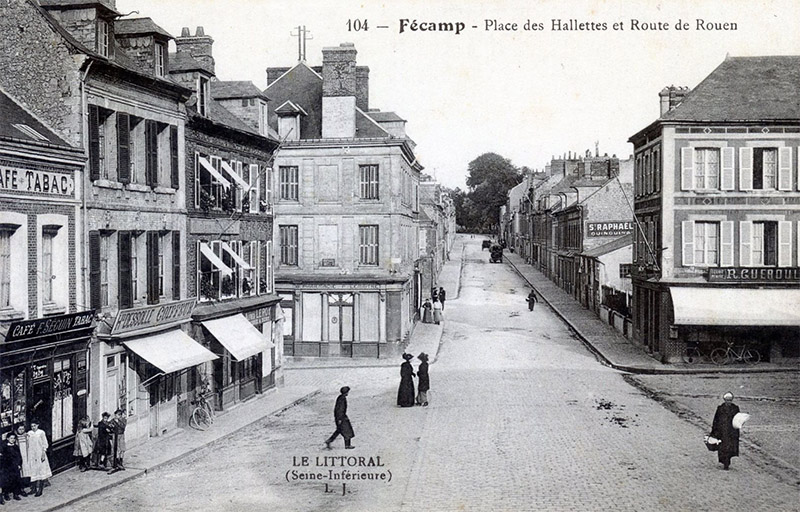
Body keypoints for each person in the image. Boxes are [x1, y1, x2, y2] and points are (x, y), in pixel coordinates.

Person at [710, 392, 740, 470]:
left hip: (731, 431)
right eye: (727, 400)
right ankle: (724, 461)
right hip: (722, 431)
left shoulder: (735, 408)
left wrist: (737, 430)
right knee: (722, 448)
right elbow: (716, 419)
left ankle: (727, 463)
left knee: (729, 448)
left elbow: (738, 420)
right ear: (725, 400)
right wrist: (714, 430)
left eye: (730, 400)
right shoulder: (720, 408)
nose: (728, 402)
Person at [26, 420, 51, 497]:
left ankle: (40, 489)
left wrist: (43, 454)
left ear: (38, 425)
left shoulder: (41, 433)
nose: (33, 427)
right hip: (32, 454)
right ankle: (33, 488)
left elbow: (45, 444)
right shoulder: (29, 433)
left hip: (39, 453)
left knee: (40, 470)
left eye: (34, 426)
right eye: (32, 426)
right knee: (33, 470)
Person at [1, 433, 25, 501]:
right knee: (8, 480)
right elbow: (3, 457)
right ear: (7, 438)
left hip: (15, 466)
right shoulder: (4, 447)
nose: (13, 440)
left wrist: (19, 464)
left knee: (16, 480)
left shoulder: (16, 447)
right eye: (11, 438)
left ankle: (15, 494)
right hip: (7, 466)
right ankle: (6, 494)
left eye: (14, 438)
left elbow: (19, 456)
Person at [108, 409, 127, 473]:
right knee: (116, 449)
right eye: (116, 415)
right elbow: (109, 426)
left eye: (118, 415)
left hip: (121, 435)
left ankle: (121, 462)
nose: (116, 416)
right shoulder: (112, 421)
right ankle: (117, 463)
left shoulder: (123, 420)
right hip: (115, 435)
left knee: (122, 449)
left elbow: (123, 427)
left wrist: (118, 421)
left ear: (120, 415)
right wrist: (110, 428)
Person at [15, 424, 32, 495]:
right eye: (20, 429)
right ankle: (21, 487)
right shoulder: (15, 438)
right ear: (17, 430)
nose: (21, 431)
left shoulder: (27, 436)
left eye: (23, 429)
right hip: (20, 455)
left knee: (28, 468)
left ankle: (30, 484)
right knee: (21, 471)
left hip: (27, 454)